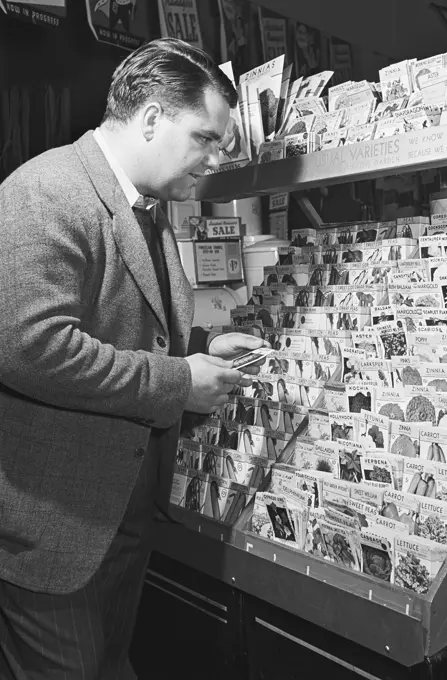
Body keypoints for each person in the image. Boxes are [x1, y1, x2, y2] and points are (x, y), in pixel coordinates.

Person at [0, 38, 265, 679]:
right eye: (205, 138)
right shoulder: (46, 191)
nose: (213, 160)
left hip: (120, 522)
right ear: (150, 119)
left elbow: (127, 326)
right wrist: (180, 381)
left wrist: (201, 348)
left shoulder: (146, 206)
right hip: (56, 535)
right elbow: (26, 346)